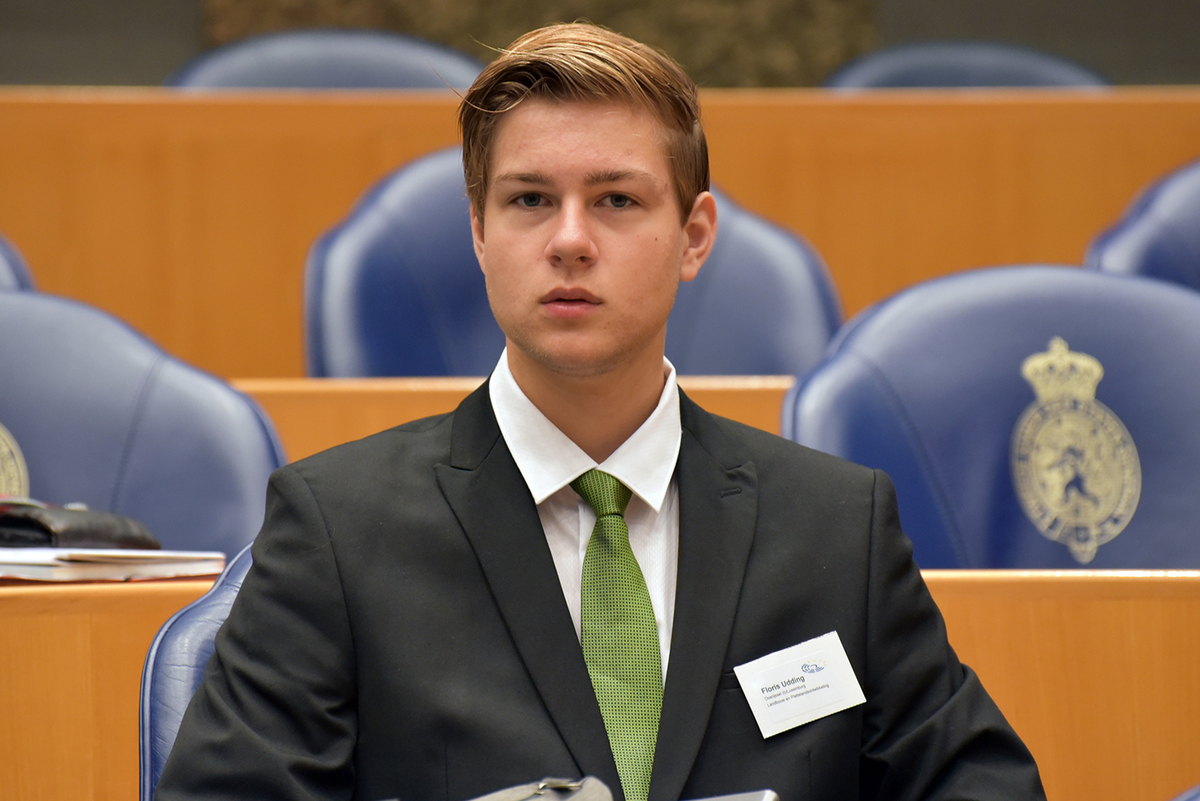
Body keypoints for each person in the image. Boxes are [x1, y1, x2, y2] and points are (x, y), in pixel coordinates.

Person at [156, 22, 1045, 801]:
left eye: (617, 200)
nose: (571, 239)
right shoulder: (335, 532)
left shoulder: (837, 528)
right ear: (479, 231)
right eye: (530, 200)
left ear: (695, 236)